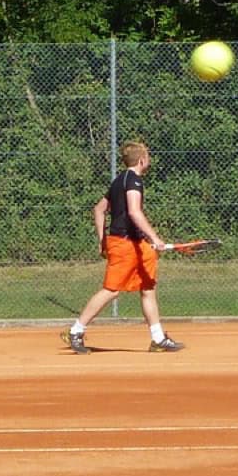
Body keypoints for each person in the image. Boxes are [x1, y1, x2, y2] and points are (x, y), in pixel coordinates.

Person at [65, 141, 183, 354]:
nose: (149, 161)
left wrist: (103, 240)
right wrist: (155, 238)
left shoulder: (119, 180)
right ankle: (76, 331)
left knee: (148, 288)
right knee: (111, 290)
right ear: (141, 160)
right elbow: (134, 212)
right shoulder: (133, 181)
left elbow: (99, 209)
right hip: (124, 243)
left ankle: (158, 338)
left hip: (138, 244)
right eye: (148, 158)